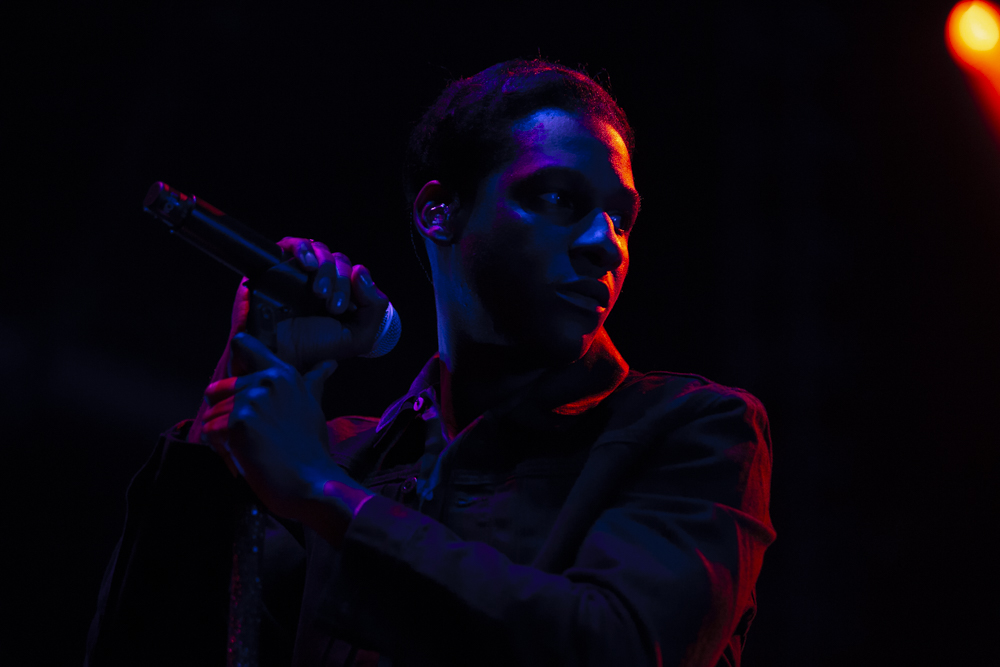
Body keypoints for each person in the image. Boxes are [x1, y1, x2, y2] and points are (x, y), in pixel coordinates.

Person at [86, 59, 775, 667]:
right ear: (439, 211)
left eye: (621, 217)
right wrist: (229, 423)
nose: (605, 242)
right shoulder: (343, 457)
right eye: (559, 199)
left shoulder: (691, 431)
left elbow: (614, 646)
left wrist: (325, 494)